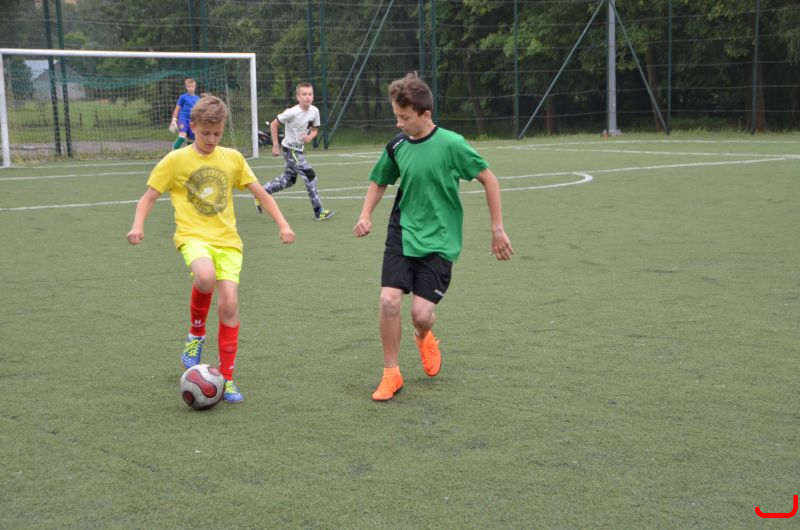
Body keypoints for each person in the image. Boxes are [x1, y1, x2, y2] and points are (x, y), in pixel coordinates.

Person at [353, 73, 514, 401]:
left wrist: (497, 228)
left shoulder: (452, 144)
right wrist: (365, 214)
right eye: (396, 116)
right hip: (402, 232)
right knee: (388, 300)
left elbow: (490, 180)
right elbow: (380, 181)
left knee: (421, 314)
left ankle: (423, 335)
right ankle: (391, 374)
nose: (398, 124)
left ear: (425, 115)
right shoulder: (397, 146)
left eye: (404, 118)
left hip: (440, 240)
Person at [128, 95, 295, 403]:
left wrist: (283, 224)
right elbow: (148, 197)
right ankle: (196, 334)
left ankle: (227, 378)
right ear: (192, 127)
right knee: (204, 277)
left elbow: (261, 193)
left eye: (217, 133)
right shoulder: (175, 160)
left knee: (229, 305)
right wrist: (138, 225)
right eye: (205, 133)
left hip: (228, 242)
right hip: (193, 236)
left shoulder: (233, 158)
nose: (211, 139)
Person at [255, 82, 335, 221]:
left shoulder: (315, 111)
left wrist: (309, 137)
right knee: (310, 175)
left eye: (310, 94)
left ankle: (261, 193)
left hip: (299, 150)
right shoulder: (291, 112)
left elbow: (315, 130)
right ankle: (318, 211)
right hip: (290, 150)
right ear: (298, 97)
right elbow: (273, 124)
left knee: (289, 180)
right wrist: (275, 145)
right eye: (304, 94)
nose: (307, 97)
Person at [169, 78, 200, 150]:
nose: (191, 88)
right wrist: (174, 119)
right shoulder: (183, 97)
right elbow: (177, 108)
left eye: (192, 86)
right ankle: (174, 150)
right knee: (182, 136)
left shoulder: (197, 98)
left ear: (195, 87)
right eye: (189, 87)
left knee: (191, 139)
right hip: (183, 119)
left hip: (192, 120)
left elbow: (199, 111)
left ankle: (190, 154)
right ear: (186, 87)